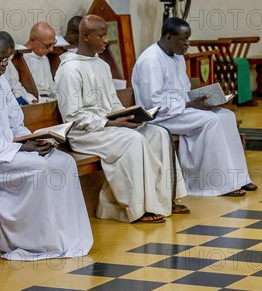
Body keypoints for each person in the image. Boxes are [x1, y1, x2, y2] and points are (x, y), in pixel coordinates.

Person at [0, 30, 93, 260]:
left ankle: (65, 236)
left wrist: (32, 140)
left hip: (9, 149)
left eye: (9, 59)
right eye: (1, 60)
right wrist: (20, 148)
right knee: (42, 169)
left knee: (64, 162)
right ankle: (29, 240)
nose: (6, 66)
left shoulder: (0, 80)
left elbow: (16, 123)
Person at [55, 15, 187, 223]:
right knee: (133, 140)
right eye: (101, 35)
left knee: (158, 133)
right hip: (85, 133)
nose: (106, 40)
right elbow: (71, 115)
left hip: (109, 125)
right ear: (86, 36)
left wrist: (128, 115)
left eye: (105, 35)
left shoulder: (102, 65)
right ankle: (138, 208)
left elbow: (112, 103)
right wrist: (110, 122)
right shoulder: (70, 69)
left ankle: (163, 200)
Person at [132, 17, 257, 198]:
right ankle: (217, 184)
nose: (187, 44)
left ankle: (238, 177)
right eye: (183, 39)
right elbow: (153, 102)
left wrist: (205, 100)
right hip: (160, 116)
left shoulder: (177, 57)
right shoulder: (150, 60)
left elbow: (183, 89)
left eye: (188, 38)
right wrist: (189, 104)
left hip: (179, 110)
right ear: (168, 37)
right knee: (212, 121)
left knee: (226, 115)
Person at [21, 22, 57, 102]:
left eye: (53, 44)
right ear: (32, 39)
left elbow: (52, 86)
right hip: (34, 102)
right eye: (47, 45)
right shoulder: (20, 59)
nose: (51, 49)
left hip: (50, 101)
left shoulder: (44, 58)